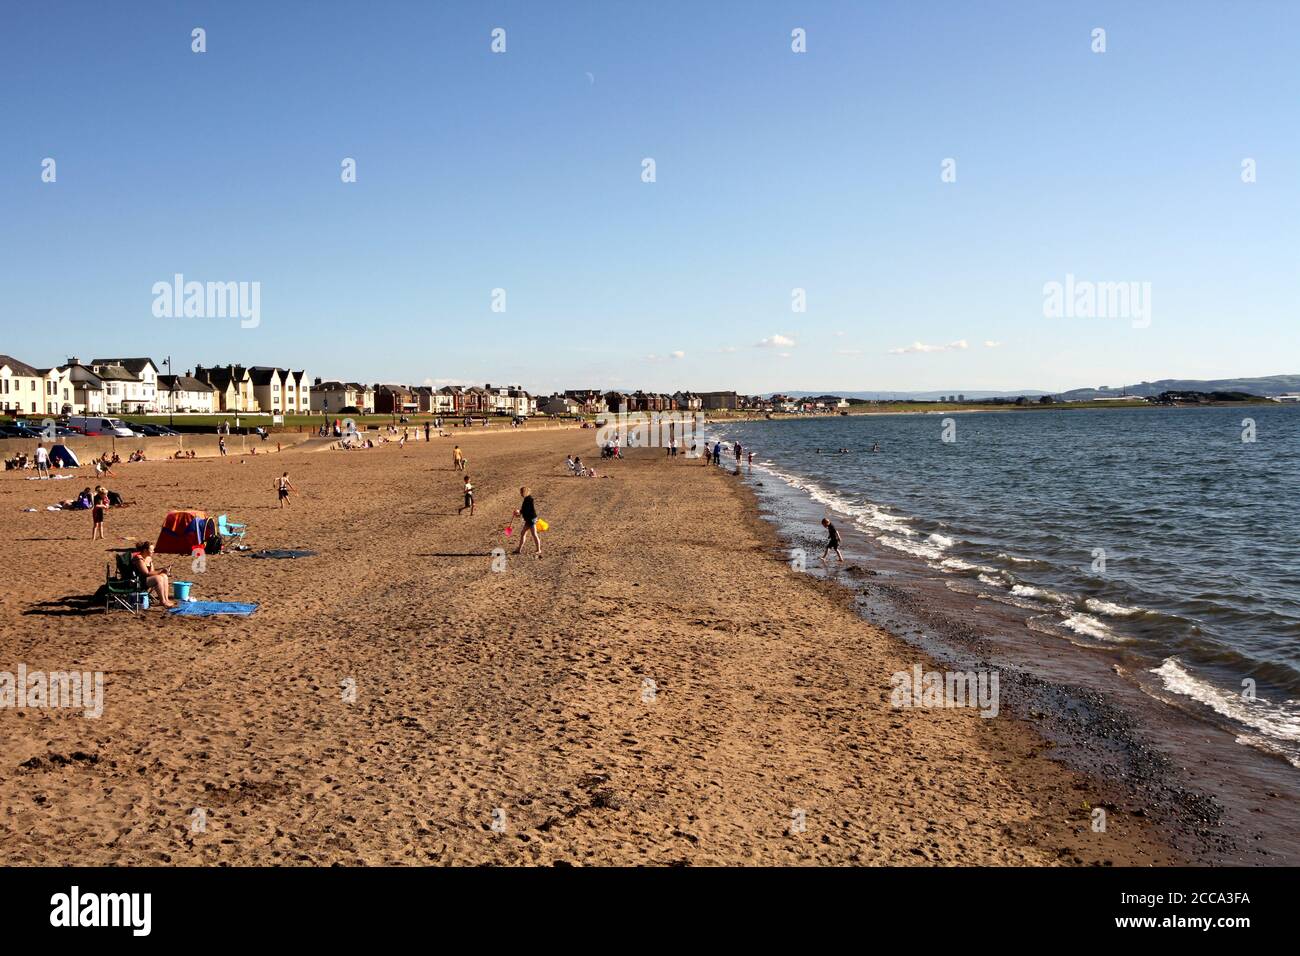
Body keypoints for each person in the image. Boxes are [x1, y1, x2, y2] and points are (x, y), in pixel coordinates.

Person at [132, 542, 177, 608]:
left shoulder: (149, 558)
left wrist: (163, 572)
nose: (153, 551)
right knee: (158, 578)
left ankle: (166, 600)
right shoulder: (139, 559)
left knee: (164, 576)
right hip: (138, 581)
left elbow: (152, 572)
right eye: (151, 550)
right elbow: (146, 573)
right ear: (145, 550)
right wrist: (161, 571)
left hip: (147, 579)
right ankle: (162, 601)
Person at [514, 486, 542, 558]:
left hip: (531, 520)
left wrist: (519, 512)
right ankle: (519, 549)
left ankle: (538, 550)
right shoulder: (526, 499)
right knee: (523, 533)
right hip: (529, 520)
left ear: (524, 492)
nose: (520, 494)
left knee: (534, 534)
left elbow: (528, 510)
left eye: (521, 492)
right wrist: (519, 513)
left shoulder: (529, 500)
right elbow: (524, 510)